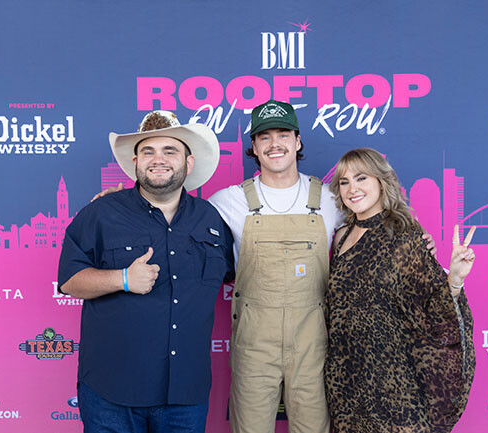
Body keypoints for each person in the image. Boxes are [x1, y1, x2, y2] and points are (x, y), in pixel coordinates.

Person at [207, 101, 437, 433]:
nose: (275, 144)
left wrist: (412, 236)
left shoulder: (330, 199)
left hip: (312, 342)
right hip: (253, 344)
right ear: (253, 147)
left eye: (283, 134)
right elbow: (179, 222)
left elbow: (375, 224)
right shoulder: (227, 200)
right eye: (265, 137)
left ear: (297, 141)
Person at [57, 110, 234, 433]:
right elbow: (69, 280)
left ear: (188, 163)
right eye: (149, 152)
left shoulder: (211, 219)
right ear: (136, 162)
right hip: (113, 392)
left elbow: (234, 273)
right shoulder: (101, 213)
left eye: (170, 151)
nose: (159, 159)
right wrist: (122, 278)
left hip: (185, 393)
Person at [325, 148, 476, 433]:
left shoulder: (406, 234)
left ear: (382, 181)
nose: (352, 189)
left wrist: (454, 279)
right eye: (344, 182)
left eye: (361, 178)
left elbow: (434, 307)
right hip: (345, 377)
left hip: (394, 380)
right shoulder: (341, 235)